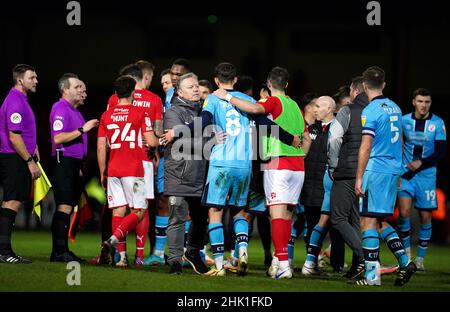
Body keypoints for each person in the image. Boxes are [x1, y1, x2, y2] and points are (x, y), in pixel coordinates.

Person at [214, 66, 311, 279]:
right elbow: (307, 137)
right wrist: (301, 155)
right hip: (298, 166)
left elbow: (256, 111)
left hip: (278, 164)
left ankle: (284, 266)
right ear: (286, 84)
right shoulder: (295, 106)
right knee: (286, 217)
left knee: (276, 216)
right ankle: (278, 261)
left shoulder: (272, 102)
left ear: (268, 85)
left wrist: (227, 96)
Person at [355, 66, 416, 286]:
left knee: (367, 222)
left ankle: (372, 277)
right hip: (392, 171)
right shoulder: (396, 109)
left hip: (376, 170)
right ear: (384, 84)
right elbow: (400, 142)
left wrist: (359, 176)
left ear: (364, 85)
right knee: (380, 221)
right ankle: (405, 260)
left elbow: (365, 146)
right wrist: (399, 170)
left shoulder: (370, 111)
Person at [99, 76, 159, 266]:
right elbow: (151, 141)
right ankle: (112, 240)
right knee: (139, 212)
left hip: (114, 168)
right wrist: (160, 140)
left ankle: (122, 259)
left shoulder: (106, 116)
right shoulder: (140, 113)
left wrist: (103, 172)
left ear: (116, 94)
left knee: (118, 211)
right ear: (133, 92)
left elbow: (101, 147)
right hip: (134, 168)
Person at [160, 73, 211, 275]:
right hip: (179, 173)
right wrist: (206, 137)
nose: (196, 89)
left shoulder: (205, 111)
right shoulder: (173, 112)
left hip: (200, 173)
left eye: (197, 85)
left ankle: (192, 252)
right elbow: (180, 142)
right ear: (179, 92)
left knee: (200, 219)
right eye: (191, 87)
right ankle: (174, 261)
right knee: (177, 217)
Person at [49, 73, 99, 262]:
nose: (83, 92)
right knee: (64, 206)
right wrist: (82, 129)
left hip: (73, 164)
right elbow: (58, 138)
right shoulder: (60, 107)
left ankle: (63, 250)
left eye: (84, 89)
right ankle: (58, 252)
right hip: (63, 162)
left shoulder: (76, 112)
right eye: (78, 88)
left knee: (68, 207)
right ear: (65, 89)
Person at [397, 88, 446, 271]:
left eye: (427, 102)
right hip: (405, 175)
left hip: (426, 176)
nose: (423, 105)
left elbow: (441, 151)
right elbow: (398, 144)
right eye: (420, 101)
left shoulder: (438, 123)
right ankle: (407, 256)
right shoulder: (404, 120)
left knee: (426, 217)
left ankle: (420, 259)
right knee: (403, 213)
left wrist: (421, 162)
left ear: (430, 103)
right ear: (413, 102)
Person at [328, 76, 368, 280]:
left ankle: (366, 258)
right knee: (355, 221)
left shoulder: (348, 110)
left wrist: (333, 164)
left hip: (348, 171)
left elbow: (334, 137)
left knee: (338, 217)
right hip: (370, 172)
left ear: (354, 91)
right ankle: (357, 268)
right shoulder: (376, 111)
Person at [0, 64, 40, 263]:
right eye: (32, 77)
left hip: (17, 156)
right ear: (20, 80)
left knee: (11, 201)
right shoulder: (15, 101)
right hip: (14, 157)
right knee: (12, 202)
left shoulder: (20, 100)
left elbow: (23, 132)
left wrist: (34, 147)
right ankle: (4, 252)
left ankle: (5, 250)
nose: (36, 81)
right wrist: (30, 161)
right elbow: (14, 137)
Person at [300, 96, 336, 275]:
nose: (314, 110)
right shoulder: (311, 129)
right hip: (309, 185)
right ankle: (311, 262)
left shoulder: (338, 130)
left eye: (318, 106)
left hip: (327, 187)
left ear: (329, 108)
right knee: (312, 224)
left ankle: (332, 262)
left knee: (328, 226)